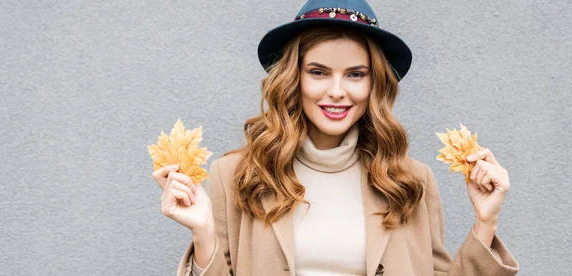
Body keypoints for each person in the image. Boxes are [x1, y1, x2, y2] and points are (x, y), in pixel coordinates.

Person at [152, 0, 520, 275]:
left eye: (356, 74)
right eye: (318, 72)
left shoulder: (411, 181)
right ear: (293, 78)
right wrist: (202, 232)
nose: (337, 91)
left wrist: (485, 224)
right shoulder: (235, 176)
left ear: (375, 83)